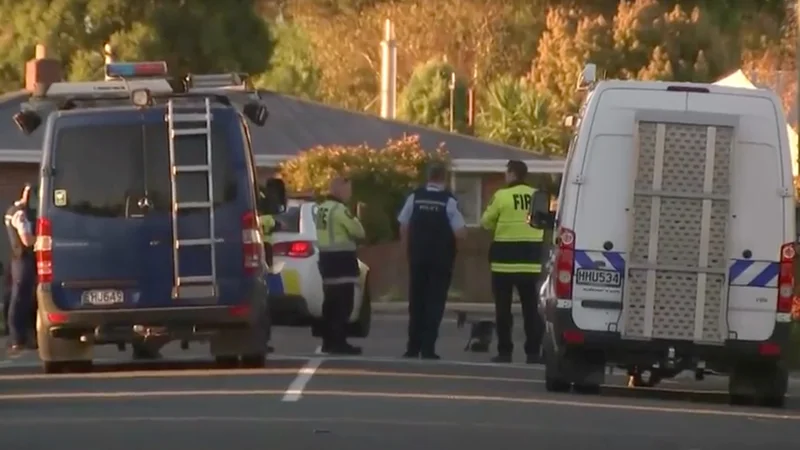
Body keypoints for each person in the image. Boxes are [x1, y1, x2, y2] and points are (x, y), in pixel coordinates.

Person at [397, 163, 467, 360]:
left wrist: (406, 249)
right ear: (443, 179)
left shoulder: (415, 197)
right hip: (441, 260)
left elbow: (403, 225)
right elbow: (460, 232)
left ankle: (412, 347)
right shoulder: (448, 201)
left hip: (418, 257)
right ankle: (428, 349)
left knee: (416, 301)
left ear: (428, 178)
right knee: (434, 303)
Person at [480, 160, 546, 364]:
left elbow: (486, 222)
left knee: (503, 308)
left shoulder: (502, 196)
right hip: (530, 260)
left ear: (511, 174)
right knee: (530, 309)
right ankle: (533, 352)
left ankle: (505, 351)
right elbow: (544, 223)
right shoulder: (538, 196)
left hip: (504, 261)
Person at [315, 176, 365, 355]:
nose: (350, 193)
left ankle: (328, 341)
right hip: (341, 260)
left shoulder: (322, 208)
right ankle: (339, 342)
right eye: (348, 189)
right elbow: (358, 232)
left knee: (330, 303)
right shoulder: (339, 210)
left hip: (326, 260)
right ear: (340, 189)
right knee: (343, 303)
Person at [4, 184, 37, 355]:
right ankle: (17, 338)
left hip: (17, 259)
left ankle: (18, 337)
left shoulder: (11, 211)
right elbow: (26, 239)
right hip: (23, 259)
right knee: (21, 299)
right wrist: (40, 238)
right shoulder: (20, 214)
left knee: (18, 298)